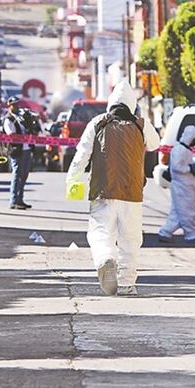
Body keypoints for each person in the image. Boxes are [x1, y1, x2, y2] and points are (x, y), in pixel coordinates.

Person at [66, 81, 160, 296]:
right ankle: (126, 283)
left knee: (100, 232)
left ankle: (105, 258)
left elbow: (81, 155)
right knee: (131, 239)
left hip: (103, 190)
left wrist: (73, 178)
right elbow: (155, 144)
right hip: (133, 193)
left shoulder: (98, 123)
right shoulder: (140, 124)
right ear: (132, 104)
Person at [157, 125, 195, 244]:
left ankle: (165, 232)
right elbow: (177, 167)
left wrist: (193, 166)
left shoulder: (184, 149)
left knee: (177, 212)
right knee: (187, 211)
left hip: (185, 186)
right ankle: (191, 235)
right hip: (182, 187)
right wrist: (190, 168)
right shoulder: (180, 149)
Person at [3, 97, 33, 210]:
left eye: (17, 104)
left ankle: (20, 199)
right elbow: (10, 135)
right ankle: (13, 201)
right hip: (17, 150)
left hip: (26, 149)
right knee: (17, 175)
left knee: (24, 175)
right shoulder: (8, 119)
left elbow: (29, 129)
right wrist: (22, 137)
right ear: (9, 106)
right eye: (14, 105)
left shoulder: (21, 118)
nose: (16, 107)